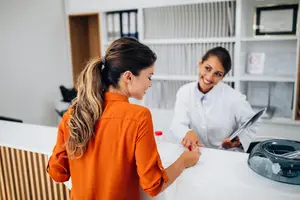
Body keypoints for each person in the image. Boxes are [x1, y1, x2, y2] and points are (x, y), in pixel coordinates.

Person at [47, 37, 200, 200]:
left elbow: (57, 173)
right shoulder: (139, 116)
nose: (150, 84)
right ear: (128, 77)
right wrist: (184, 161)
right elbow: (153, 185)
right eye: (149, 76)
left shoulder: (73, 113)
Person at [170, 46, 258, 152]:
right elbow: (178, 123)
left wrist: (238, 140)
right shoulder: (184, 92)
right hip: (197, 153)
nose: (209, 77)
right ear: (200, 63)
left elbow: (252, 123)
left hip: (225, 155)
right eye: (207, 68)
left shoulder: (234, 98)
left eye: (217, 74)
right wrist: (187, 132)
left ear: (222, 77)